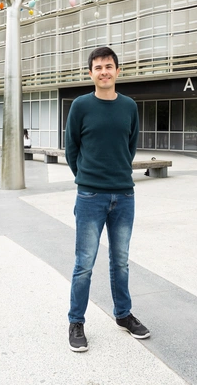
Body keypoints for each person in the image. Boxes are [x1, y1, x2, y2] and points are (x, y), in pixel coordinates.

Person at [65, 46, 150, 352]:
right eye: (98, 67)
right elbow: (72, 148)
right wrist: (86, 177)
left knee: (121, 262)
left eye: (109, 66)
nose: (104, 71)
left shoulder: (129, 106)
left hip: (124, 195)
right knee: (84, 264)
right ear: (90, 73)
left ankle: (123, 315)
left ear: (117, 71)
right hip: (90, 195)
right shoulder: (81, 106)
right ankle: (76, 321)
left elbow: (131, 146)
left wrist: (116, 176)